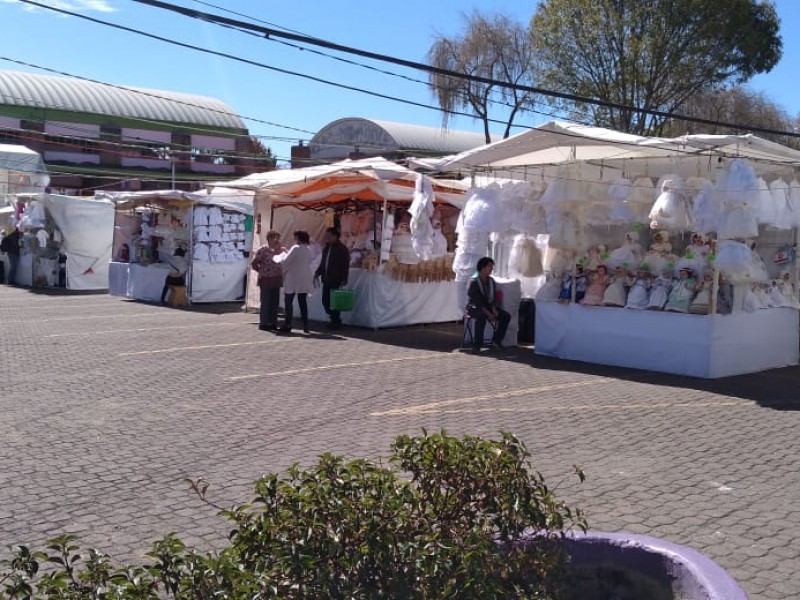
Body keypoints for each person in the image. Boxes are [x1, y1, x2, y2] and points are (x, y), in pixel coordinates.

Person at [466, 256, 510, 353]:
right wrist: (489, 314)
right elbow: (478, 302)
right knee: (481, 317)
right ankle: (477, 345)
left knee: (505, 316)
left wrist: (494, 310)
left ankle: (496, 341)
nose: (491, 269)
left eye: (491, 266)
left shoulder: (491, 281)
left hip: (488, 307)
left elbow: (493, 298)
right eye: (489, 266)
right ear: (482, 267)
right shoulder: (474, 282)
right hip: (475, 308)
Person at [274, 230, 314, 333]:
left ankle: (288, 324)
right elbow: (299, 259)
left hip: (293, 277)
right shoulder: (308, 249)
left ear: (297, 238)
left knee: (288, 302)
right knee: (302, 302)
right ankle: (305, 325)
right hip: (304, 277)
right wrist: (287, 252)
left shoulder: (296, 247)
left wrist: (280, 256)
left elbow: (286, 261)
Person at [314, 227, 350, 329]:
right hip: (326, 278)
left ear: (335, 236)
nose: (328, 238)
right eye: (327, 236)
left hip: (335, 278)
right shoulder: (326, 248)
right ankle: (333, 318)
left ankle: (336, 320)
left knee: (334, 300)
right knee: (325, 300)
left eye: (329, 236)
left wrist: (344, 278)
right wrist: (318, 272)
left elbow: (345, 265)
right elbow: (323, 262)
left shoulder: (342, 249)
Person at [250, 230, 285, 331]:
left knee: (275, 302)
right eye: (275, 237)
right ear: (269, 238)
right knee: (265, 301)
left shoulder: (280, 250)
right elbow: (254, 263)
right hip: (265, 279)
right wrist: (261, 271)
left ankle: (273, 322)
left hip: (276, 278)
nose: (277, 240)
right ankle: (264, 323)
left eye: (278, 238)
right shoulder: (263, 250)